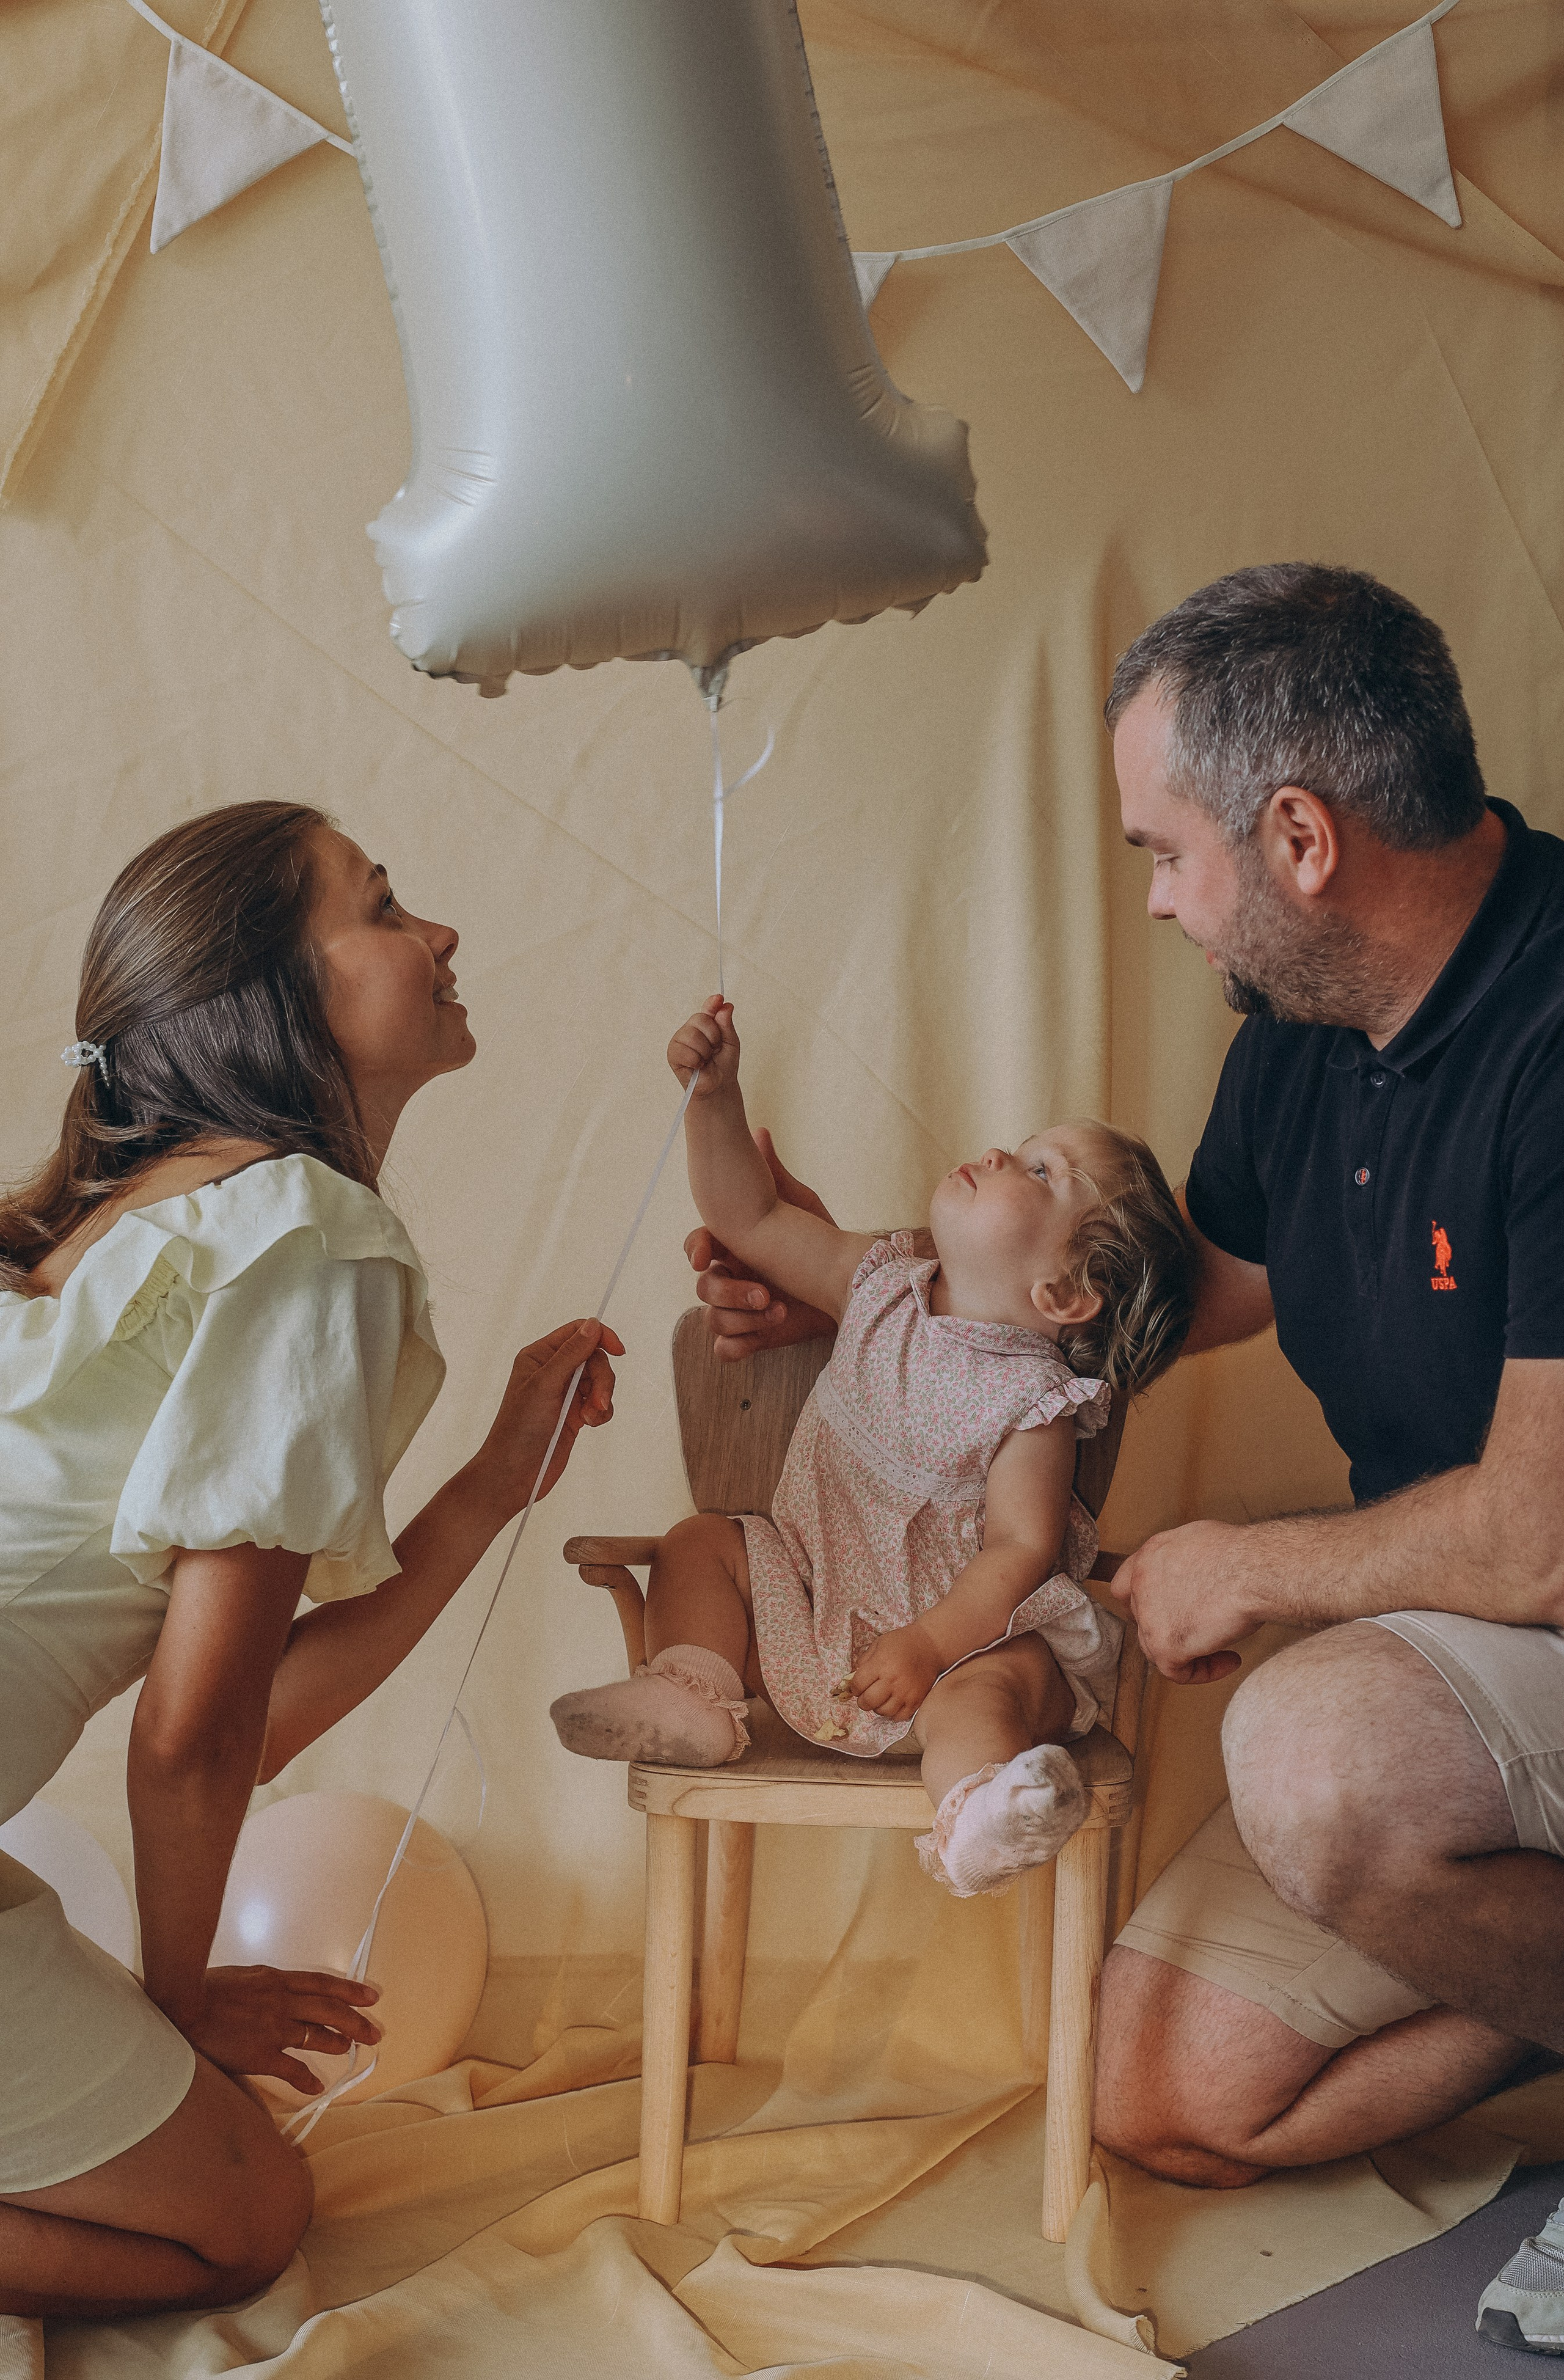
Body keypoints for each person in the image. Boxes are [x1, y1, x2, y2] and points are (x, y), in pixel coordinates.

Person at [685, 565, 1564, 2353]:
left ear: (1299, 838)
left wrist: (1250, 1565)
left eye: (1165, 852)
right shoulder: (1302, 1039)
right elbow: (1182, 1299)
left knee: (1309, 1751)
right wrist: (902, 1314)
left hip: (1530, 1596)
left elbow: (1538, 1540)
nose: (1156, 900)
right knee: (1156, 2089)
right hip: (1468, 1646)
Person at [0, 802, 621, 2324]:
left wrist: (489, 1485)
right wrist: (178, 2003)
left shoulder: (109, 1224)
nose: (441, 934)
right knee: (248, 2221)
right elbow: (198, 1731)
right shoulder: (303, 1233)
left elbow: (242, 1712)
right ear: (273, 998)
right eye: (384, 906)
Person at [551, 995, 1193, 1899]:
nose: (1002, 1154)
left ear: (1065, 1293)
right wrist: (715, 1099)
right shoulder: (880, 1282)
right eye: (1023, 1147)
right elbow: (751, 1217)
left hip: (959, 1644)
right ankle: (692, 1695)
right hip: (813, 1598)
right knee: (701, 1544)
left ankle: (980, 1815)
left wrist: (929, 1644)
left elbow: (1021, 1549)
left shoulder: (1037, 1401)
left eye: (1042, 1172)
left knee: (992, 1691)